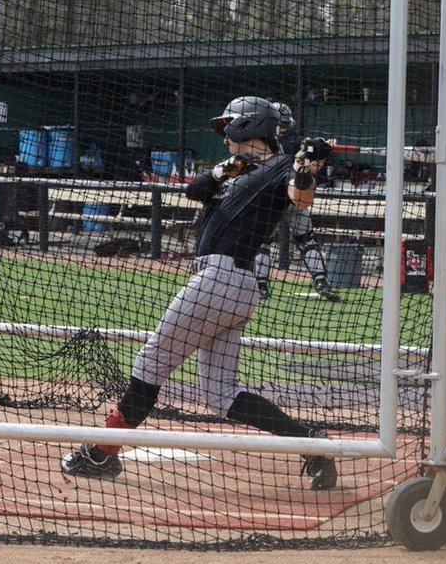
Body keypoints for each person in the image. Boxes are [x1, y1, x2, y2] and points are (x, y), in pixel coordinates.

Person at [59, 96, 339, 490]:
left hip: (220, 280)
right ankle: (310, 442)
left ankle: (102, 454)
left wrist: (309, 167)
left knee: (150, 365)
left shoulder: (283, 168)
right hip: (234, 287)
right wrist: (232, 167)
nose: (225, 138)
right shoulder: (242, 168)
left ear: (248, 127)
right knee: (221, 394)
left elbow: (300, 197)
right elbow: (194, 190)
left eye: (229, 128)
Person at [253, 102, 342, 302]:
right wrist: (323, 145)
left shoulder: (262, 142)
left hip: (271, 197)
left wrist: (320, 145)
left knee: (263, 243)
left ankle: (262, 286)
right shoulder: (299, 142)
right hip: (295, 194)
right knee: (306, 240)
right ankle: (321, 282)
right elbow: (313, 151)